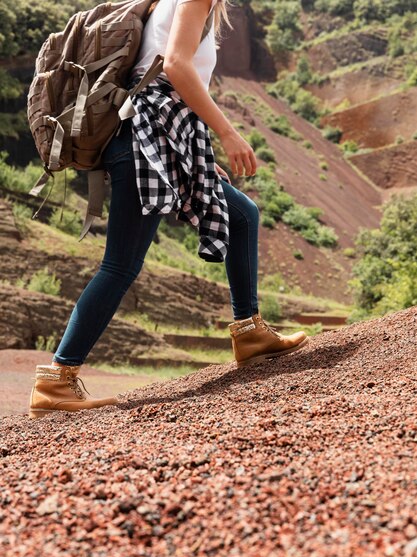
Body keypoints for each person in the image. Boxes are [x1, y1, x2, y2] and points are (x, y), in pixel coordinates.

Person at [29, 0, 308, 419]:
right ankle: (57, 378)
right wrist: (228, 134)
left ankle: (249, 333)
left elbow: (160, 76)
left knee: (241, 214)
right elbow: (175, 66)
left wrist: (197, 154)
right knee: (120, 266)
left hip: (157, 133)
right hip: (147, 136)